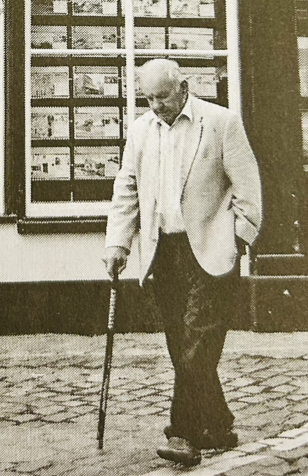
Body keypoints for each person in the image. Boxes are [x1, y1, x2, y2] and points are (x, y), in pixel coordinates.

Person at [104, 58, 262, 468]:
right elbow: (127, 187)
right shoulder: (141, 130)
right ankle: (218, 424)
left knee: (197, 341)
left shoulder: (221, 122)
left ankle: (183, 433)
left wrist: (237, 239)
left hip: (211, 249)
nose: (156, 105)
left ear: (184, 88)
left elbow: (248, 188)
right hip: (164, 251)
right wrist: (118, 243)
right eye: (149, 98)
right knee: (182, 344)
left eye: (163, 96)